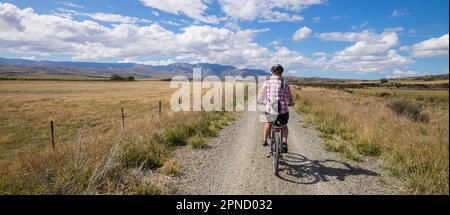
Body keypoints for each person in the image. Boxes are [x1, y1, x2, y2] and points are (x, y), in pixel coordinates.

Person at [258, 64, 294, 153]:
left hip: (271, 110)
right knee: (284, 126)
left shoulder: (267, 83)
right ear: (281, 73)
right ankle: (284, 142)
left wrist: (259, 101)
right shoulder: (284, 83)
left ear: (272, 72)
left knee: (268, 123)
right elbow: (289, 96)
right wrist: (291, 103)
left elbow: (261, 95)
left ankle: (265, 140)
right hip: (283, 111)